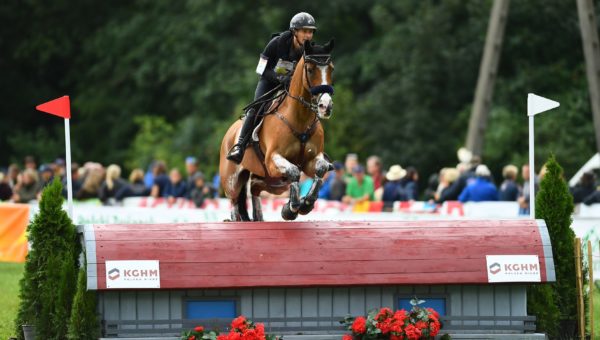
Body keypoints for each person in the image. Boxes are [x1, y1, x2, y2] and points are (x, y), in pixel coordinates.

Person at [226, 12, 317, 164]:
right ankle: (240, 145)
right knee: (257, 107)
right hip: (269, 81)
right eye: (304, 31)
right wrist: (280, 78)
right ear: (294, 31)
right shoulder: (276, 43)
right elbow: (260, 68)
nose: (308, 35)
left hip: (292, 87)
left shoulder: (310, 50)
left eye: (310, 32)